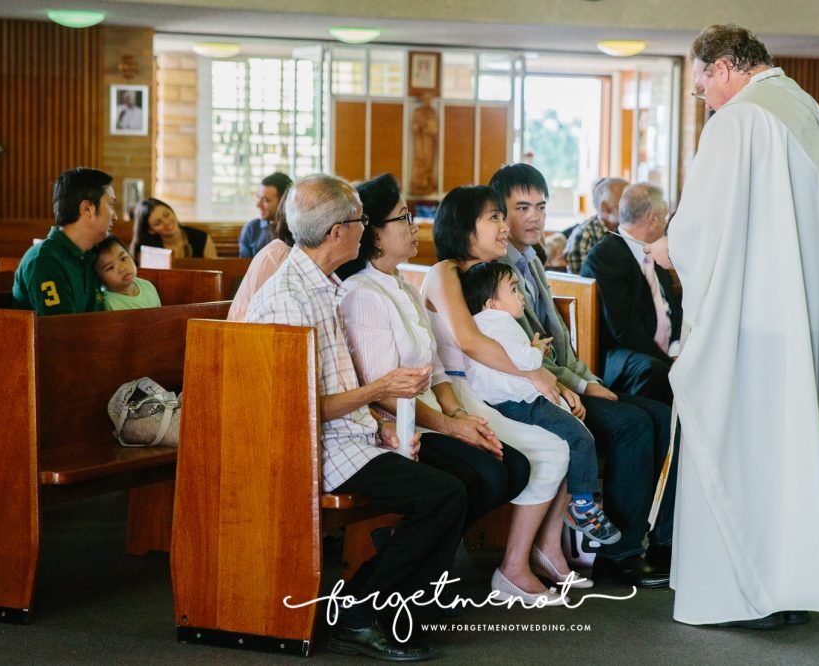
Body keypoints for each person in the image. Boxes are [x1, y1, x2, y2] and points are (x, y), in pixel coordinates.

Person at [647, 24, 819, 628]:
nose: (705, 101)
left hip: (753, 326)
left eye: (701, 88)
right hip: (803, 323)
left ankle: (748, 593)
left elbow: (708, 227)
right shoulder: (808, 112)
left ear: (723, 69)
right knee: (792, 453)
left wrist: (671, 246)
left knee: (747, 449)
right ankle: (794, 588)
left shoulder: (741, 120)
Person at [245, 174, 465, 661]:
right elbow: (296, 409)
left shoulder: (322, 285)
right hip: (312, 447)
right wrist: (382, 390)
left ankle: (389, 602)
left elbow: (337, 383)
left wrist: (381, 422)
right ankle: (360, 612)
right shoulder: (288, 299)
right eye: (361, 220)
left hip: (347, 433)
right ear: (335, 232)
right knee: (443, 494)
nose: (366, 229)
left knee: (452, 483)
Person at [488, 165, 677, 589]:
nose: (534, 217)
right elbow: (525, 355)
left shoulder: (532, 260)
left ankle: (659, 542)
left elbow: (560, 342)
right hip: (531, 391)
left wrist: (589, 379)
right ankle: (617, 554)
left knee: (664, 418)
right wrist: (581, 385)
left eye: (540, 206)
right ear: (500, 214)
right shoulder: (498, 272)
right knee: (631, 425)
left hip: (565, 381)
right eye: (522, 208)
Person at [337, 172, 531, 537]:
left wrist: (459, 414)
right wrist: (452, 426)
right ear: (375, 234)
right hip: (398, 427)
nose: (415, 226)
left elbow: (437, 370)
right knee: (488, 474)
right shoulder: (362, 294)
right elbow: (387, 394)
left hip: (430, 414)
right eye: (404, 217)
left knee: (516, 467)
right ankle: (414, 552)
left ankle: (417, 546)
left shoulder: (403, 288)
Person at [421, 185, 577, 603]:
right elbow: (470, 342)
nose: (504, 225)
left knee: (567, 436)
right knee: (551, 449)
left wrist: (553, 380)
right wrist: (536, 375)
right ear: (463, 226)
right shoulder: (445, 272)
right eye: (493, 217)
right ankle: (514, 566)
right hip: (453, 392)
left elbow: (519, 344)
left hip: (487, 387)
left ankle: (537, 553)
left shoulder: (490, 276)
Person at [459, 261, 621, 545]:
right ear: (491, 303)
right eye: (512, 290)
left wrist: (530, 350)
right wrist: (535, 350)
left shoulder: (481, 324)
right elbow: (528, 362)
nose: (520, 295)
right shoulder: (499, 323)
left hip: (503, 402)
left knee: (573, 432)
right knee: (581, 436)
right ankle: (582, 506)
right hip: (521, 402)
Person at [581, 182, 682, 402]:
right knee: (653, 370)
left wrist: (676, 351)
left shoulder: (654, 251)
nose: (665, 225)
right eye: (664, 218)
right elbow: (624, 329)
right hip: (624, 357)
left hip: (665, 354)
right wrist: (668, 362)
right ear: (652, 218)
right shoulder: (605, 256)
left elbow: (674, 308)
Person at [12, 167, 115, 315]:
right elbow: (60, 331)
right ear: (87, 209)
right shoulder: (45, 260)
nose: (115, 216)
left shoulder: (89, 254)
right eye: (111, 205)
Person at [228, 193, 293, 321]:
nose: (258, 204)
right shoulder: (276, 254)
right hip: (245, 332)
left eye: (266, 199)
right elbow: (261, 318)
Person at [563, 177, 627, 275]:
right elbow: (584, 286)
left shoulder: (630, 230)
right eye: (626, 205)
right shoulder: (583, 236)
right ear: (605, 208)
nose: (634, 209)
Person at [131, 198, 218, 263]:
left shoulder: (201, 238)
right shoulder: (147, 247)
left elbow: (214, 270)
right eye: (157, 223)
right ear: (151, 230)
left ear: (172, 211)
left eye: (167, 215)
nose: (166, 222)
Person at [93, 235, 161, 311]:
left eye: (123, 258)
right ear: (98, 277)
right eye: (110, 267)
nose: (122, 268)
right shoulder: (106, 303)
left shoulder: (148, 286)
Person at [239, 172, 291, 258]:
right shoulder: (251, 230)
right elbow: (245, 268)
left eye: (266, 200)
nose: (258, 205)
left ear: (284, 202)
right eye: (258, 197)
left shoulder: (296, 231)